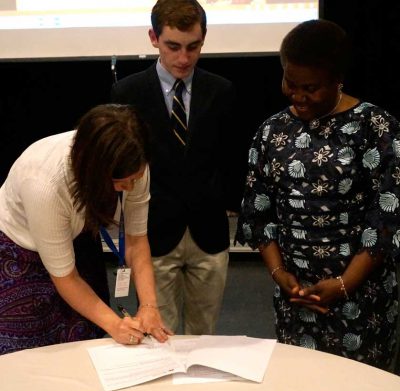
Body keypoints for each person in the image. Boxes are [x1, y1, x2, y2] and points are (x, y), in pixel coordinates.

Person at [235, 19, 400, 371]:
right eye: (289, 84)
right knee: (299, 383)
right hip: (295, 301)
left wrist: (343, 285)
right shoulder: (271, 131)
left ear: (338, 79)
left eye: (310, 88)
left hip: (361, 303)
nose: (297, 96)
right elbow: (259, 211)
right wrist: (281, 276)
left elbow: (386, 219)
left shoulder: (377, 129)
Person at [111, 0, 245, 334]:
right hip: (153, 232)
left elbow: (231, 158)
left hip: (209, 231)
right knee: (160, 333)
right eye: (173, 47)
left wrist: (225, 202)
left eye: (193, 47)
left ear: (203, 39)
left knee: (205, 334)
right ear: (153, 38)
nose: (184, 59)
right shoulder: (126, 92)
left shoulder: (222, 91)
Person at [0, 104, 172, 355]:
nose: (130, 187)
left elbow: (136, 241)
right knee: (29, 350)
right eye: (122, 182)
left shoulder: (133, 162)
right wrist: (115, 324)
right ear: (95, 172)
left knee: (85, 337)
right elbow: (66, 277)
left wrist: (149, 306)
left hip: (79, 235)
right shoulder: (43, 183)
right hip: (21, 251)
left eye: (135, 178)